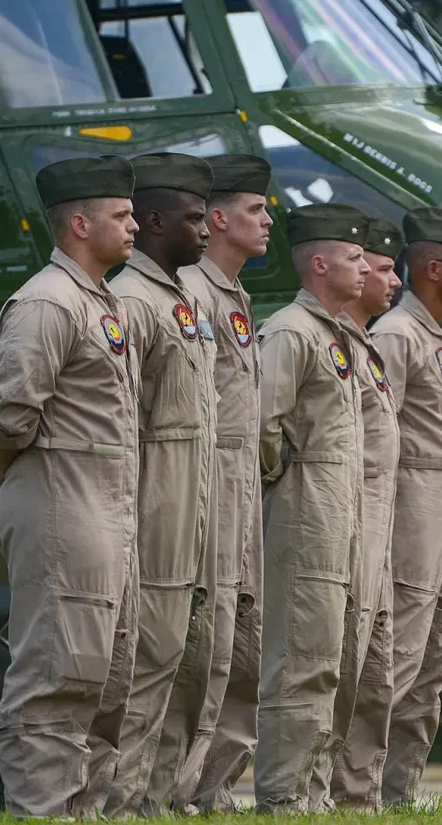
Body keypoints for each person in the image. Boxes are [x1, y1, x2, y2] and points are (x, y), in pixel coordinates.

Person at [0, 155, 142, 818]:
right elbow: (11, 412)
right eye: (122, 216)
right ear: (79, 223)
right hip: (60, 502)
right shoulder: (47, 301)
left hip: (103, 507)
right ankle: (43, 810)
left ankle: (83, 811)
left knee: (105, 678)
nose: (135, 226)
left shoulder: (96, 301)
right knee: (56, 674)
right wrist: (7, 465)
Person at [100, 152, 220, 818]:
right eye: (193, 218)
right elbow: (117, 420)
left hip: (194, 506)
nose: (205, 230)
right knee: (147, 664)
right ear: (152, 221)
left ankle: (157, 799)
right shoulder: (132, 302)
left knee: (187, 664)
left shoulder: (184, 302)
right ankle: (122, 803)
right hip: (155, 508)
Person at [253, 202, 371, 814]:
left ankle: (312, 794)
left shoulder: (336, 334)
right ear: (320, 263)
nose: (365, 267)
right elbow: (260, 423)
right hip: (307, 508)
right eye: (354, 257)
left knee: (332, 661)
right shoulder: (292, 333)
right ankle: (281, 796)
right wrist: (283, 477)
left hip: (339, 509)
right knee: (301, 660)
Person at [171, 154, 274, 813]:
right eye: (255, 210)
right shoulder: (190, 293)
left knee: (243, 648)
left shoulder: (234, 297)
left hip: (241, 487)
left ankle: (214, 791)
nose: (268, 221)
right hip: (203, 482)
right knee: (199, 645)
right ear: (216, 219)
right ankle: (172, 790)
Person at [369, 206, 442, 807]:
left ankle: (395, 798)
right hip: (407, 520)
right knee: (396, 659)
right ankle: (348, 794)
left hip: (437, 520)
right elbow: (372, 434)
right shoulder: (395, 336)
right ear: (433, 268)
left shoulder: (432, 338)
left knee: (429, 666)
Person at [329, 217, 406, 810]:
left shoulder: (370, 347)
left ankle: (359, 800)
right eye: (378, 267)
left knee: (373, 677)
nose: (389, 280)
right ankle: (305, 797)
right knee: (331, 671)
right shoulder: (318, 339)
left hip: (375, 530)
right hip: (338, 527)